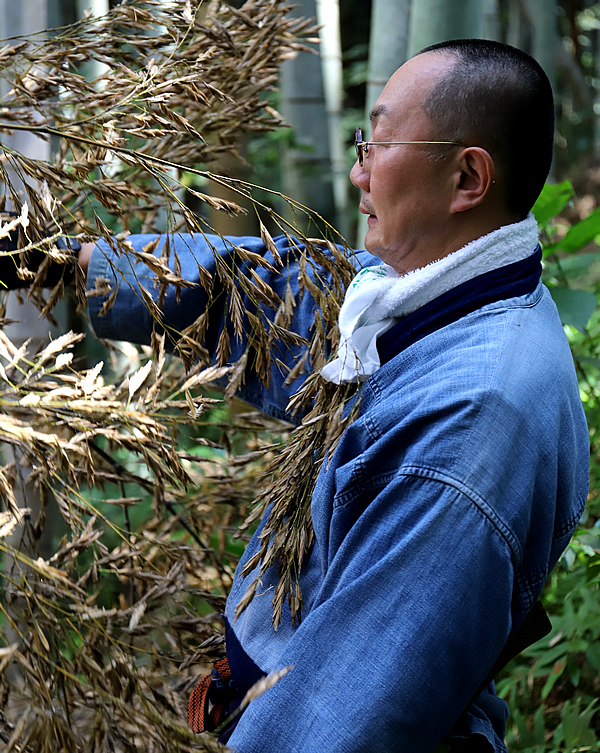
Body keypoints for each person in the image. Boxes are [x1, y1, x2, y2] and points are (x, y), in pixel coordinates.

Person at [12, 40, 593, 751]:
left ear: (467, 176)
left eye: (377, 143)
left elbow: (338, 716)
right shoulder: (439, 301)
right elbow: (263, 295)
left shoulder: (469, 422)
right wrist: (67, 263)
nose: (357, 172)